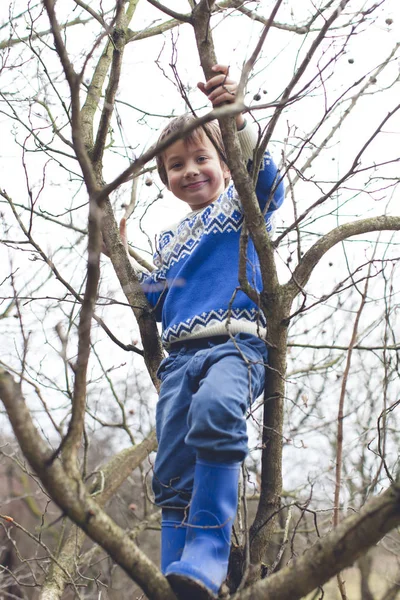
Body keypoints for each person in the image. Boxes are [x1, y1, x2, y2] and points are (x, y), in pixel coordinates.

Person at [123, 65, 284, 599]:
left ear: (222, 163)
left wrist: (234, 120)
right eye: (175, 166)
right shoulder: (169, 238)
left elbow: (263, 179)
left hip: (235, 346)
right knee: (170, 460)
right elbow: (153, 297)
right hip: (179, 361)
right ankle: (179, 568)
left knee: (217, 412)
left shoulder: (239, 209)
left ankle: (211, 549)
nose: (189, 171)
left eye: (201, 159)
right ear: (164, 177)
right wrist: (115, 251)